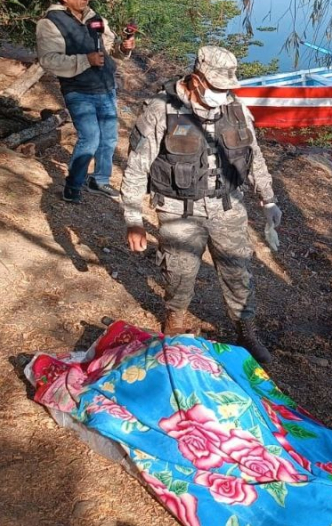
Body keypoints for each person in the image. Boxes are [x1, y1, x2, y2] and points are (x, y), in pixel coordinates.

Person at [120, 46, 282, 365]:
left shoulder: (235, 108)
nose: (223, 95)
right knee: (180, 273)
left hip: (228, 208)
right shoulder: (160, 110)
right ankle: (175, 324)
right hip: (178, 209)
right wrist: (133, 219)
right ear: (196, 80)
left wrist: (269, 198)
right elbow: (137, 166)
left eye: (227, 88)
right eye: (217, 88)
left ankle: (246, 331)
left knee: (238, 271)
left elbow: (254, 157)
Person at [36, 0, 135, 203]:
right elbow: (48, 60)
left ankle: (99, 180)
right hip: (78, 90)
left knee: (109, 139)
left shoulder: (95, 18)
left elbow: (110, 48)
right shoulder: (50, 23)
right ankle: (73, 186)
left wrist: (124, 48)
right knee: (89, 138)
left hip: (106, 87)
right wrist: (85, 60)